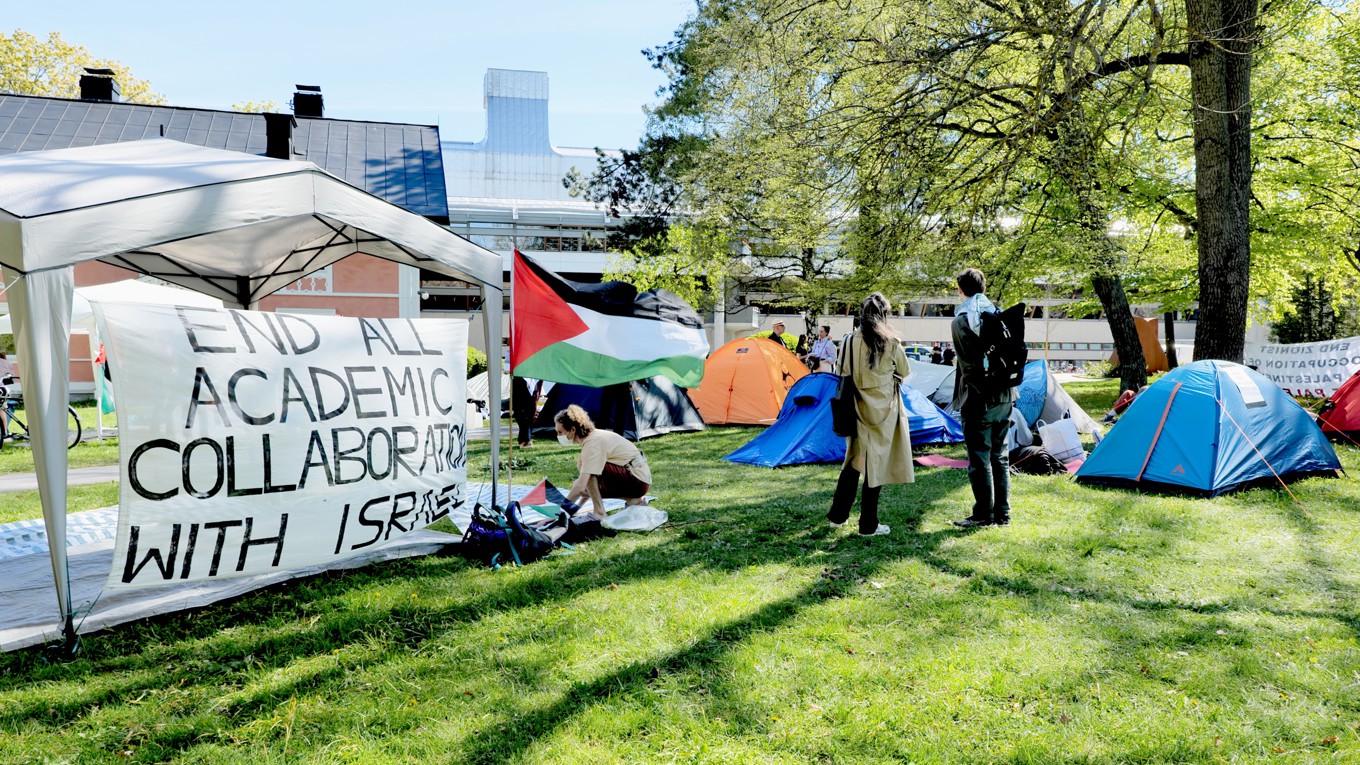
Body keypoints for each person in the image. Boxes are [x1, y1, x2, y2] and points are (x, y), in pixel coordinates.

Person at [826, 293, 914, 536]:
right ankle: (868, 524)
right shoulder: (892, 341)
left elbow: (841, 371)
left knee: (852, 461)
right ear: (883, 314)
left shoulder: (848, 341)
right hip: (884, 410)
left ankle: (838, 516)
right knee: (876, 466)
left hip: (855, 407)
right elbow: (905, 371)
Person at [951, 268, 1015, 528]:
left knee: (979, 459)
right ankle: (1003, 513)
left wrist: (974, 398)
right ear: (984, 288)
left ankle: (983, 515)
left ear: (960, 290)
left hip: (980, 397)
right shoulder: (1000, 315)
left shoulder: (962, 320)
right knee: (1000, 456)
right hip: (1006, 394)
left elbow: (968, 367)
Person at [556, 404, 652, 518]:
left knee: (587, 470)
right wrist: (576, 508)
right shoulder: (595, 437)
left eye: (560, 432)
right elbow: (585, 488)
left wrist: (556, 515)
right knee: (584, 474)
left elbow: (580, 488)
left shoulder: (592, 445)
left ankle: (599, 512)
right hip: (640, 479)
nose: (558, 435)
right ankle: (633, 499)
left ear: (572, 430)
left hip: (637, 481)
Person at [510, 376, 541, 448]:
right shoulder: (517, 379)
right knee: (524, 421)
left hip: (530, 398)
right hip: (521, 400)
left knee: (528, 421)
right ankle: (526, 441)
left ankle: (523, 440)